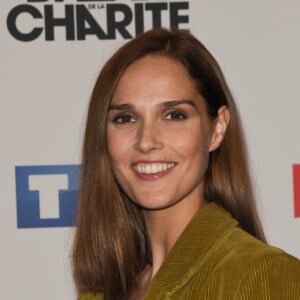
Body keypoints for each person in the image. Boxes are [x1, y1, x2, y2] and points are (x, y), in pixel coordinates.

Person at [72, 28, 300, 300]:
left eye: (174, 115)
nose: (146, 141)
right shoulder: (100, 292)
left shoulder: (261, 274)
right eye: (125, 118)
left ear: (216, 129)